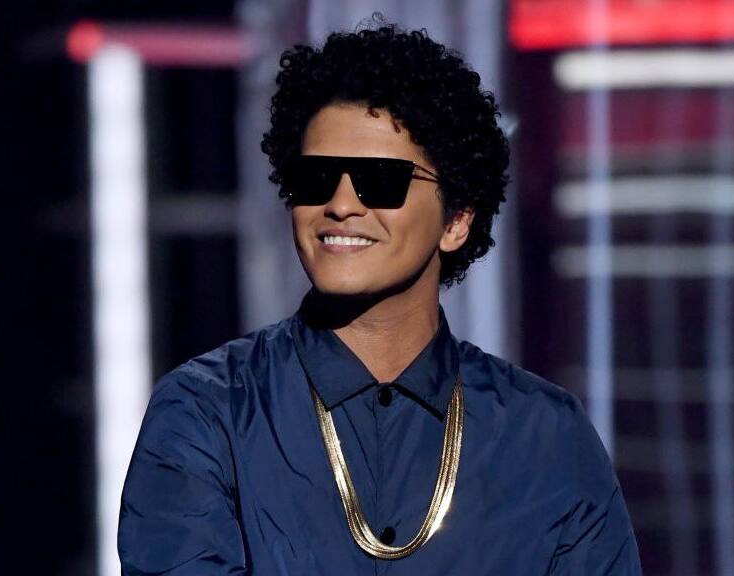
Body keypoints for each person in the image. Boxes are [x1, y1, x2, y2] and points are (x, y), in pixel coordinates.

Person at [118, 21, 643, 575]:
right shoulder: (207, 414)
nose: (341, 204)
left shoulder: (547, 436)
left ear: (457, 220)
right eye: (315, 178)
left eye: (380, 180)